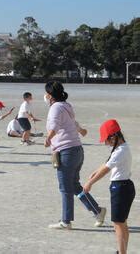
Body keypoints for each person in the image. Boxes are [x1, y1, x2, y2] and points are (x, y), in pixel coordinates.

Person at [44, 81, 106, 230]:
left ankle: (66, 221)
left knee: (65, 188)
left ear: (50, 95)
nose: (45, 96)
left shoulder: (55, 108)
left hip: (66, 152)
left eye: (46, 93)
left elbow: (54, 126)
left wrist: (48, 138)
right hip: (77, 150)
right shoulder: (66, 105)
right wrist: (81, 130)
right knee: (74, 186)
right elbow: (71, 122)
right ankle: (98, 211)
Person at [83, 120, 135, 254]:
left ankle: (122, 252)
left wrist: (90, 183)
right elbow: (107, 162)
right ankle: (122, 251)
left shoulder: (120, 151)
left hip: (120, 188)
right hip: (125, 186)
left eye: (107, 140)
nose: (106, 143)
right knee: (122, 223)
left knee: (118, 224)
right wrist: (95, 171)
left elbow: (106, 169)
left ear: (114, 136)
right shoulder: (120, 148)